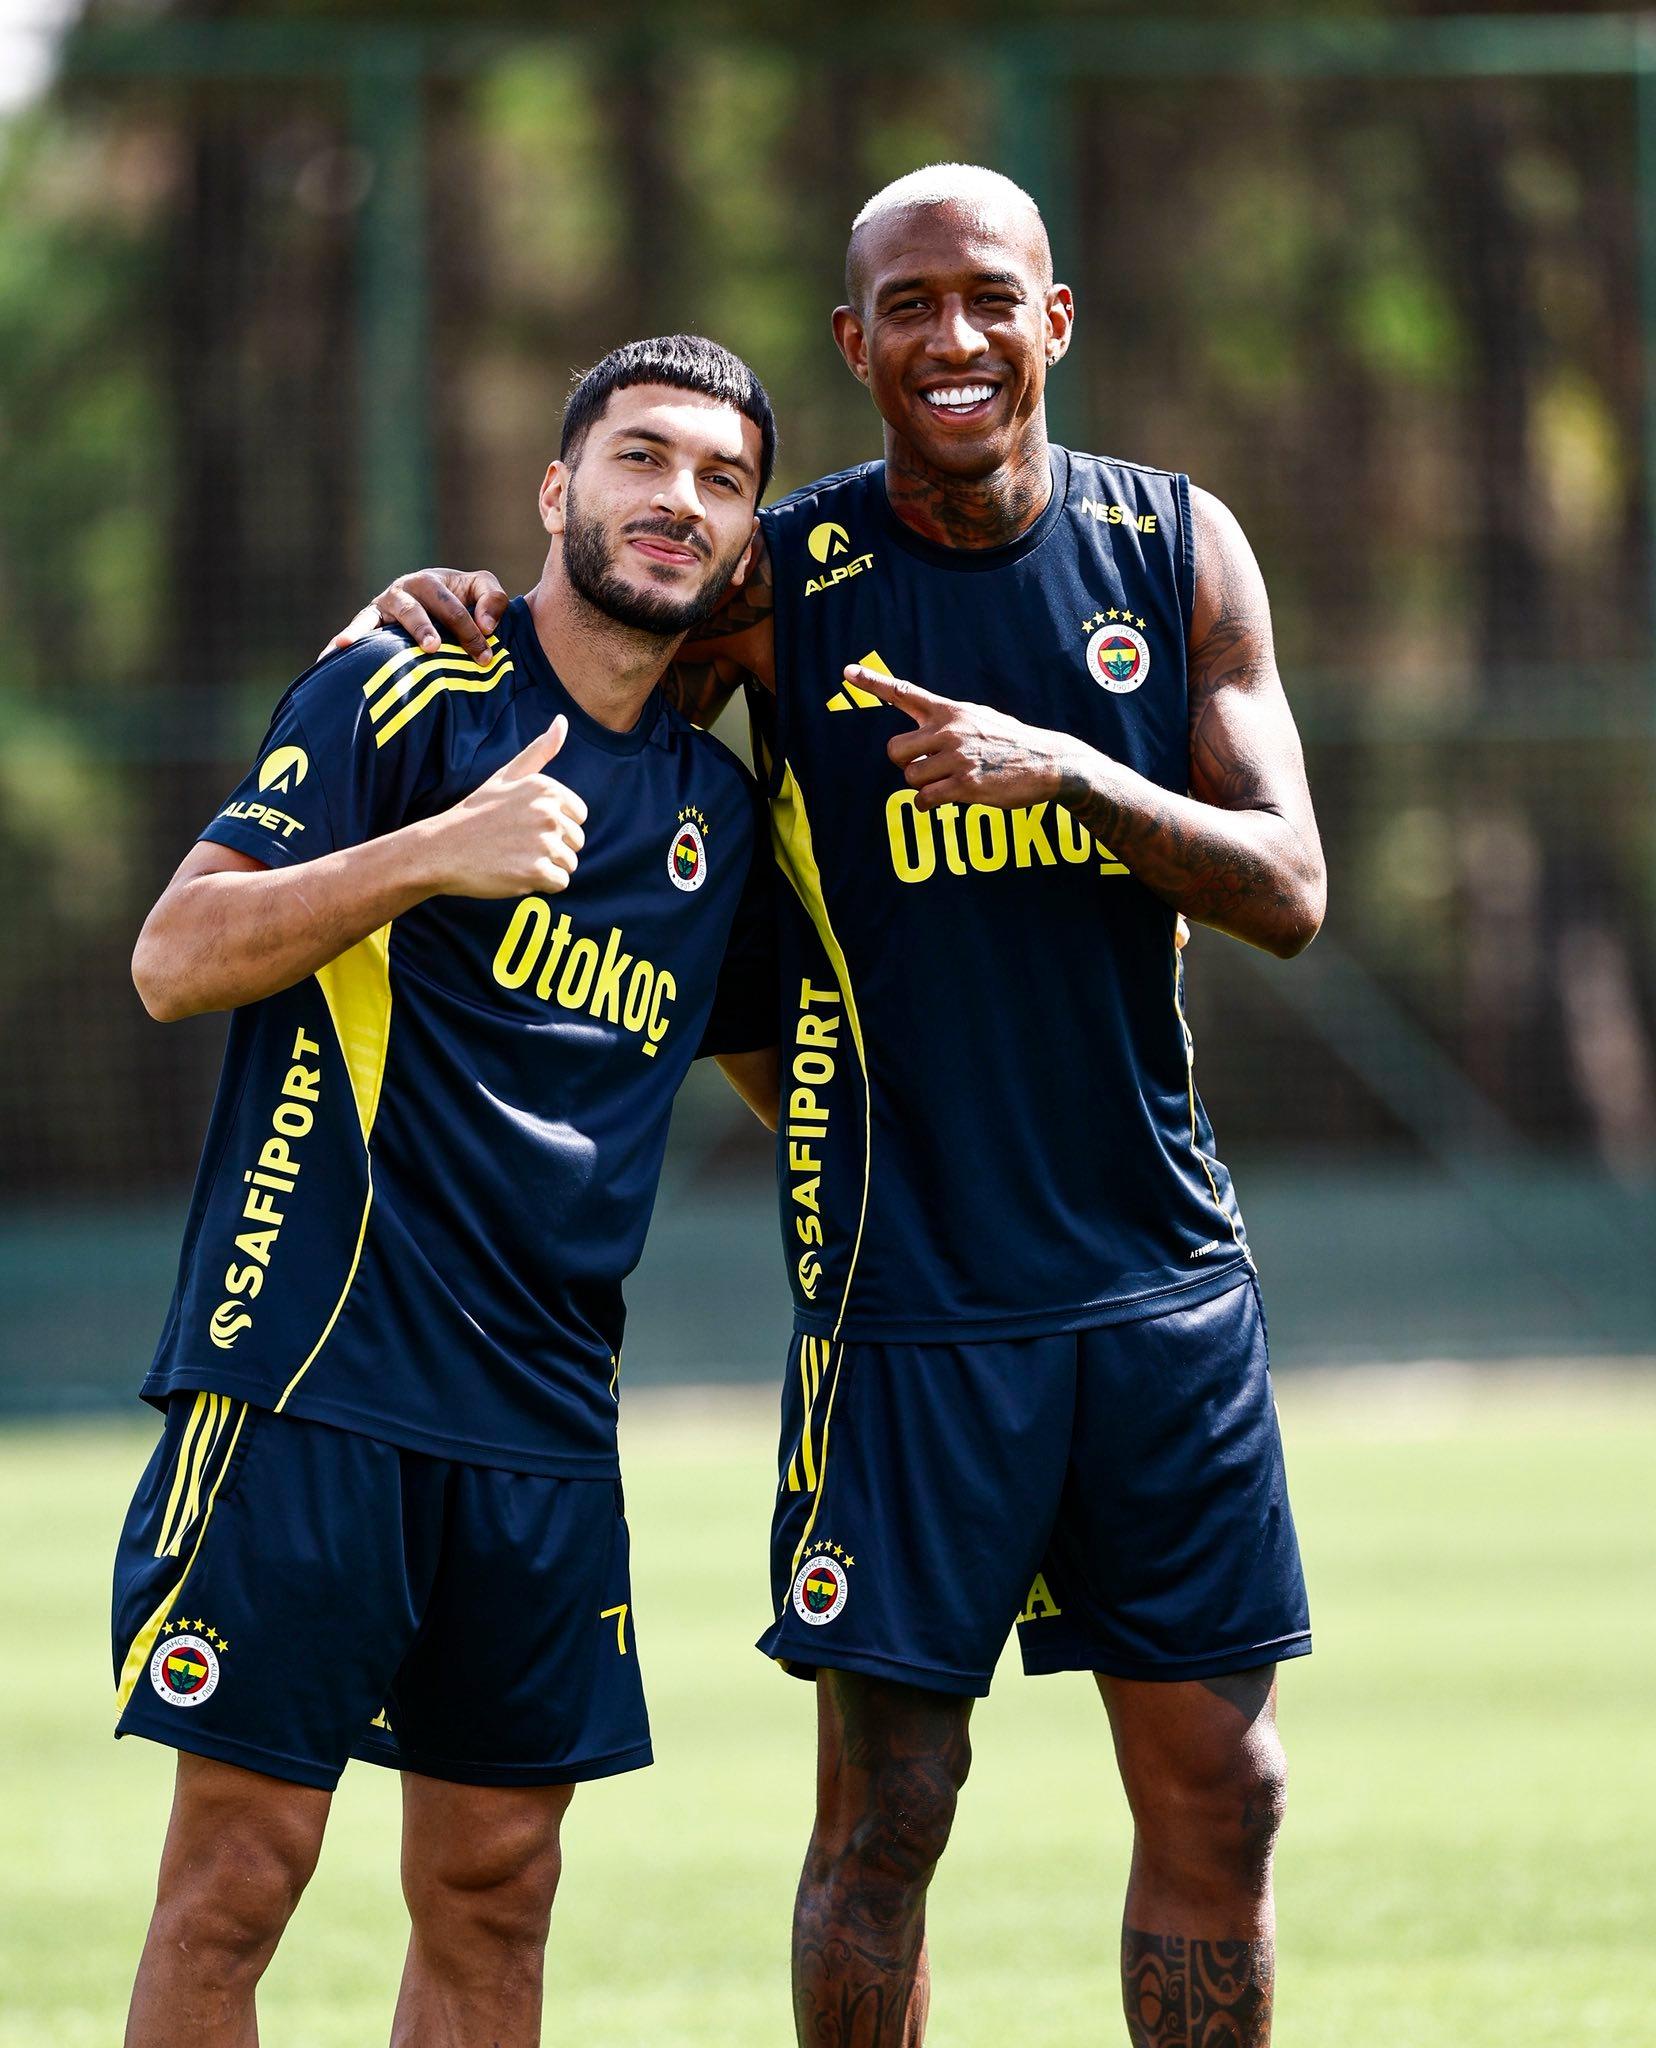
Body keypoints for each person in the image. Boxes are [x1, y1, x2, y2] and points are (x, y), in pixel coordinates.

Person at [359, 163, 1327, 2048]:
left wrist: (1067, 770)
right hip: (906, 1306)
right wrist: (429, 606)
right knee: (888, 1820)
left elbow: (1287, 887)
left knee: (1230, 1792)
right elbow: (587, 666)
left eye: (990, 300)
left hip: (1160, 1287)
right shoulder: (779, 584)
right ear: (854, 344)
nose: (954, 339)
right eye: (910, 308)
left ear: (1055, 321)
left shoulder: (1174, 547)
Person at [111, 335, 783, 2048]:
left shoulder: (717, 812)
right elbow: (175, 958)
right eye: (641, 459)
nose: (678, 500)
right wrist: (434, 854)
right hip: (314, 1377)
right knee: (237, 1883)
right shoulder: (401, 692)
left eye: (720, 482)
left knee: (496, 1894)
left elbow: (786, 1077)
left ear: (741, 546)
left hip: (544, 1422)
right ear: (557, 491)